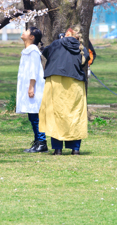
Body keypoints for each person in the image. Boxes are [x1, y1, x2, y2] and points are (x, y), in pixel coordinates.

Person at [39, 24, 88, 155]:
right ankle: (75, 149)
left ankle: (57, 149)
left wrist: (59, 40)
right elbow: (86, 60)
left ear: (67, 33)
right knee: (75, 114)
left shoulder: (57, 43)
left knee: (56, 114)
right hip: (75, 83)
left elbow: (45, 52)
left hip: (55, 81)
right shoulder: (82, 48)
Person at [17, 26, 47, 153]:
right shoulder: (27, 50)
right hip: (28, 86)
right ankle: (37, 141)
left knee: (35, 115)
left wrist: (31, 87)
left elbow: (33, 71)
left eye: (26, 31)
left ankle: (42, 142)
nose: (23, 32)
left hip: (33, 87)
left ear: (32, 37)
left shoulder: (33, 51)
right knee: (32, 115)